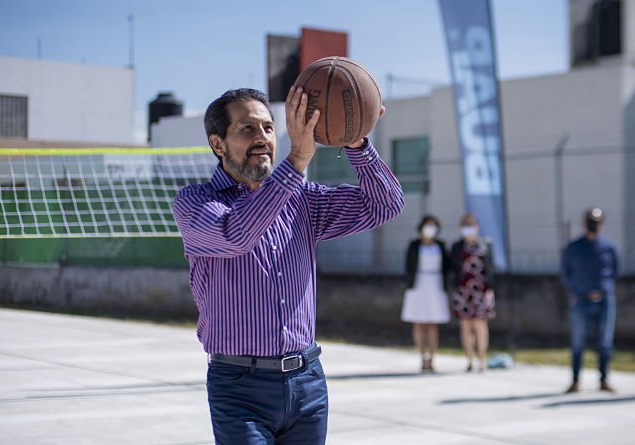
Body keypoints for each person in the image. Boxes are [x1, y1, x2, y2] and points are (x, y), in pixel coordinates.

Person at [172, 87, 403, 444]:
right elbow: (236, 235)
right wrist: (296, 160)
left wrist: (357, 145)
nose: (262, 137)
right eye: (247, 129)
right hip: (239, 386)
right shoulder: (195, 204)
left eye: (267, 127)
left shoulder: (303, 200)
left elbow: (384, 205)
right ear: (217, 144)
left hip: (306, 380)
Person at [559, 208, 619, 393]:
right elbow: (565, 274)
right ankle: (575, 380)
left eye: (598, 221)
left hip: (605, 301)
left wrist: (605, 289)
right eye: (591, 220)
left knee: (605, 342)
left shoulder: (609, 247)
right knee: (578, 342)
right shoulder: (573, 247)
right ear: (583, 223)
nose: (594, 224)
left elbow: (615, 271)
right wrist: (579, 291)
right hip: (581, 301)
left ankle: (604, 379)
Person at [402, 215, 451, 373]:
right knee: (419, 322)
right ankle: (422, 356)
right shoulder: (414, 245)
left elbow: (447, 266)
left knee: (432, 323)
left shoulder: (441, 246)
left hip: (435, 284)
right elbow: (408, 265)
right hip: (418, 285)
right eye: (427, 225)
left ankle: (432, 357)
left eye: (433, 225)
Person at [450, 213, 496, 373]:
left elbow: (490, 267)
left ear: (477, 227)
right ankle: (469, 359)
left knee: (480, 324)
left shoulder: (485, 244)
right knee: (466, 325)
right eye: (465, 226)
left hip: (481, 290)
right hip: (463, 291)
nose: (468, 229)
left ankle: (482, 358)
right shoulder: (457, 247)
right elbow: (452, 267)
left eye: (471, 225)